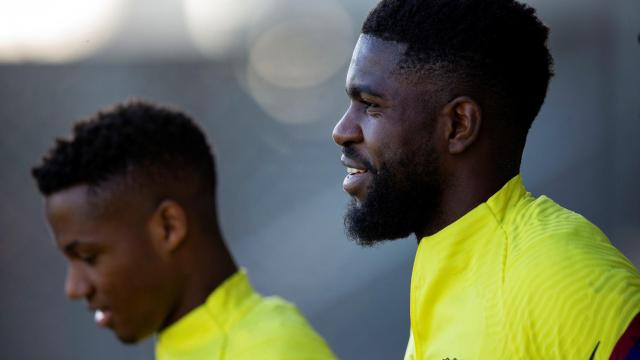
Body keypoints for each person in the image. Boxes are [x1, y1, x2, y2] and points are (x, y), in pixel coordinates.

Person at [332, 0, 640, 359]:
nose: (342, 131)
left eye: (370, 105)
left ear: (459, 125)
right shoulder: (450, 277)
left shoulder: (559, 274)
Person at [32, 101, 336, 360]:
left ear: (168, 227)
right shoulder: (183, 343)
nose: (74, 288)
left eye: (88, 256)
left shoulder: (271, 349)